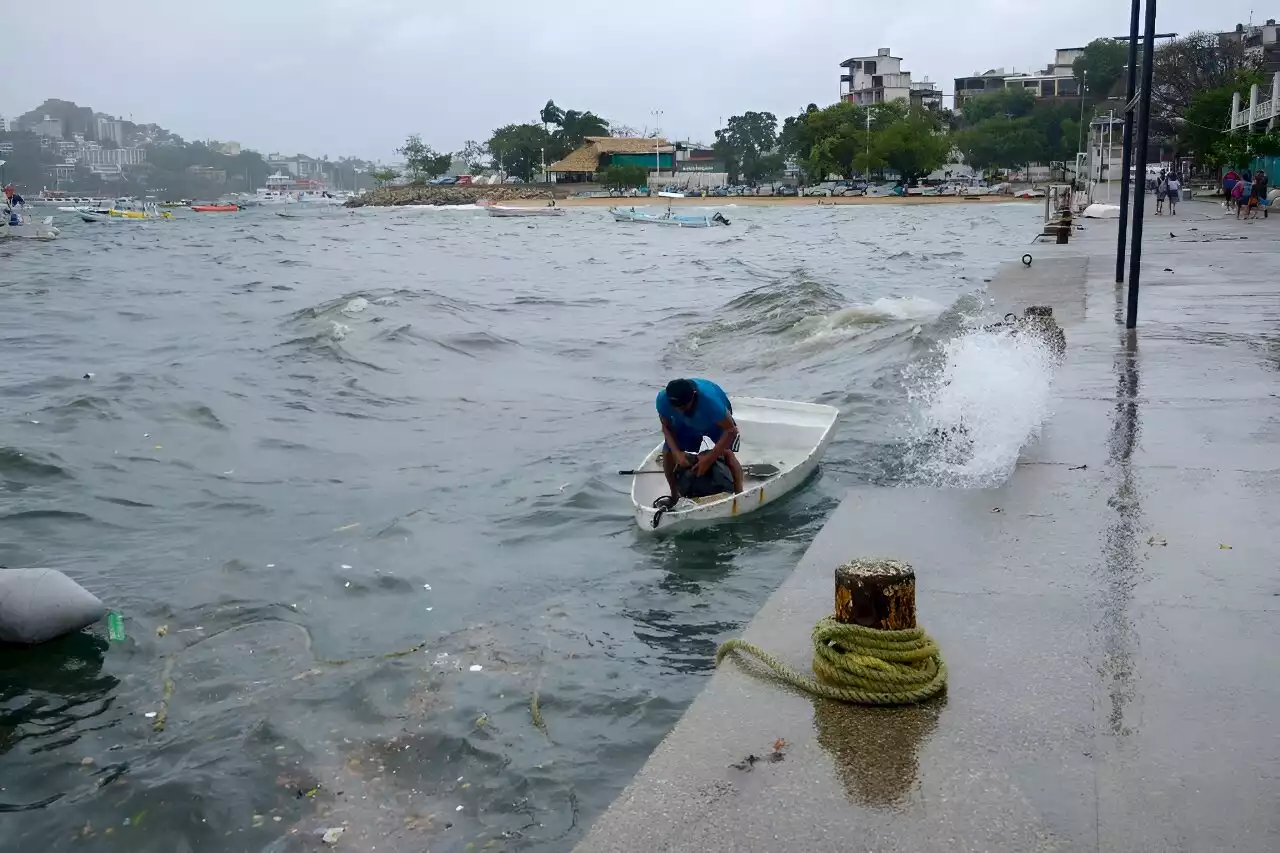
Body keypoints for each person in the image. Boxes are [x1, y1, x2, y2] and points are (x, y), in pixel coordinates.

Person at [655, 378, 743, 499]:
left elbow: (731, 430)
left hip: (714, 422)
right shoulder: (662, 399)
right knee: (667, 453)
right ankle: (674, 496)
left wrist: (709, 459)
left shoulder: (711, 403)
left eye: (684, 406)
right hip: (684, 423)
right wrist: (677, 453)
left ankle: (739, 494)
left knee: (726, 453)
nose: (680, 410)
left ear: (694, 396)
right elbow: (665, 426)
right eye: (676, 407)